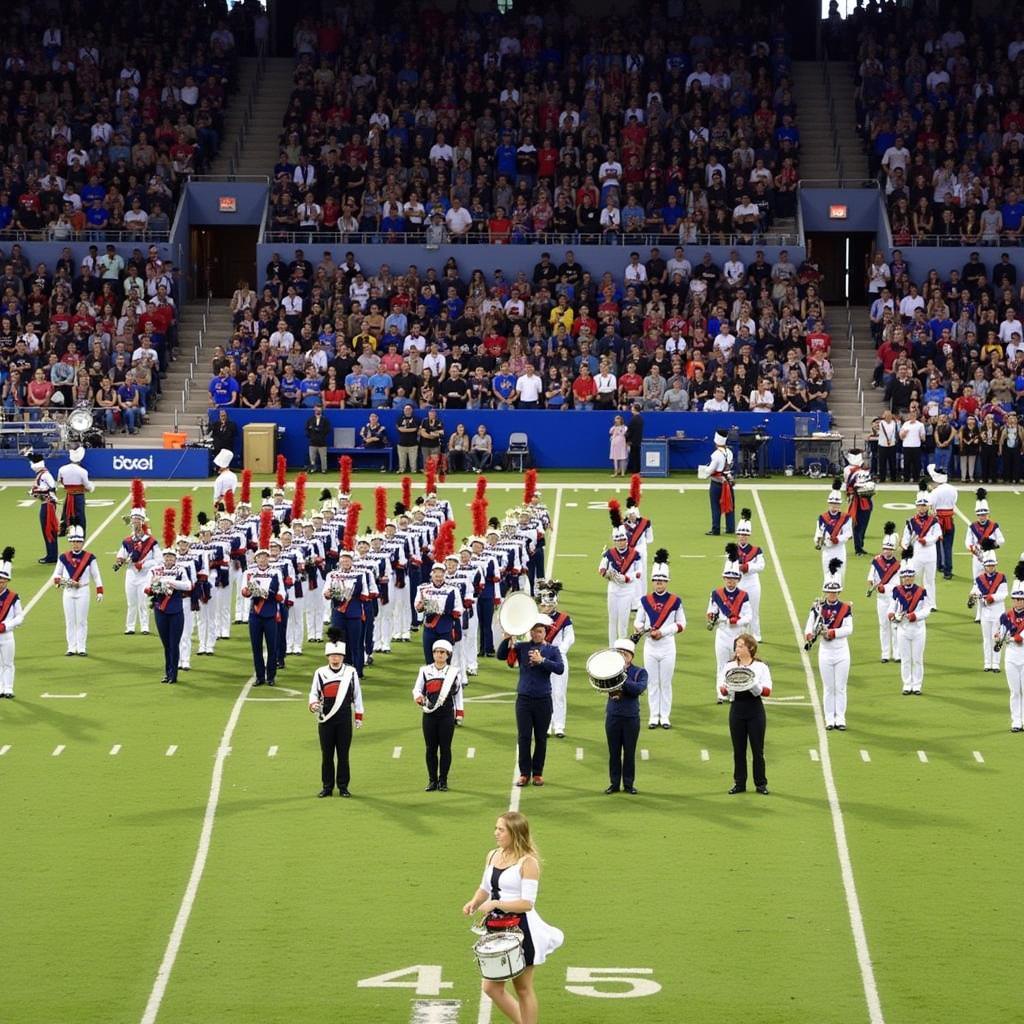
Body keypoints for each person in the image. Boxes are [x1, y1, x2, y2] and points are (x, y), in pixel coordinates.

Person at [461, 812, 563, 1024]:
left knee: (523, 989)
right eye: (496, 828)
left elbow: (527, 904)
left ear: (515, 834)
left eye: (501, 830)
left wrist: (497, 903)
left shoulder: (528, 863)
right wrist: (474, 902)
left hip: (521, 929)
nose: (495, 833)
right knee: (490, 987)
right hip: (496, 928)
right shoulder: (492, 855)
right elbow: (485, 887)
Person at [497, 614, 565, 787]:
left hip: (543, 698)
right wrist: (506, 639)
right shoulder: (522, 646)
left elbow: (559, 669)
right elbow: (501, 655)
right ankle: (524, 773)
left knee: (541, 737)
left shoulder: (552, 650)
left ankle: (538, 773)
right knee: (524, 737)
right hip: (524, 698)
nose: (536, 634)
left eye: (540, 631)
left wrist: (542, 660)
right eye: (534, 631)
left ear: (546, 633)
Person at [633, 550, 685, 729]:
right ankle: (654, 715)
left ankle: (665, 716)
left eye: (662, 581)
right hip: (650, 646)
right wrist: (644, 630)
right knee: (652, 682)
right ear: (652, 581)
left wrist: (663, 632)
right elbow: (638, 622)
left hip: (667, 646)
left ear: (667, 582)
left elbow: (681, 624)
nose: (659, 584)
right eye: (656, 581)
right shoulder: (645, 600)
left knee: (666, 682)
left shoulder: (675, 601)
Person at [308, 627, 363, 797]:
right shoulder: (320, 672)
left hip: (344, 717)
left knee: (343, 754)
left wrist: (358, 716)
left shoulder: (351, 672)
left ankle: (343, 786)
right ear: (328, 657)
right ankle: (327, 786)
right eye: (332, 655)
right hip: (326, 719)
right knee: (327, 755)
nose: (335, 658)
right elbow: (313, 693)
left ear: (343, 657)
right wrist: (313, 704)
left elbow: (357, 696)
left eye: (338, 655)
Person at [719, 634, 772, 794]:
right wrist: (726, 689)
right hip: (737, 709)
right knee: (738, 749)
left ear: (750, 648)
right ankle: (739, 783)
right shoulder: (729, 666)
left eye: (741, 646)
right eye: (737, 646)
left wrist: (752, 684)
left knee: (757, 749)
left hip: (755, 709)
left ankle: (761, 783)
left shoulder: (761, 667)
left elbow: (767, 690)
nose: (737, 649)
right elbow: (722, 687)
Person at [806, 559, 854, 730]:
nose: (831, 594)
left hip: (841, 651)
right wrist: (810, 634)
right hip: (825, 651)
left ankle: (840, 718)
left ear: (839, 592)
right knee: (828, 687)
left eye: (834, 591)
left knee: (840, 687)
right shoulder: (818, 607)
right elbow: (809, 626)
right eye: (829, 591)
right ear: (825, 591)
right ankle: (829, 718)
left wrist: (832, 633)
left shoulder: (845, 608)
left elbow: (849, 629)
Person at [413, 638, 464, 791]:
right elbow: (417, 689)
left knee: (445, 748)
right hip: (429, 714)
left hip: (446, 714)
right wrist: (418, 697)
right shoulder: (424, 670)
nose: (439, 655)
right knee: (430, 748)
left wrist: (459, 713)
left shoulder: (454, 672)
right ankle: (432, 780)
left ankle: (443, 780)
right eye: (436, 652)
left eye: (442, 652)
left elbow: (458, 695)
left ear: (448, 655)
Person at [242, 516, 284, 686]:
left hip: (271, 612)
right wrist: (248, 590)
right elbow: (244, 591)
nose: (262, 559)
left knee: (272, 646)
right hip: (255, 613)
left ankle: (271, 676)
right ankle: (259, 676)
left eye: (265, 557)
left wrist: (272, 594)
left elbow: (282, 592)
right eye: (259, 557)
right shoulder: (249, 572)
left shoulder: (276, 572)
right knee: (256, 647)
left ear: (268, 558)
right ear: (256, 559)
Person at [604, 637, 648, 793]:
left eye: (625, 654)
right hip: (613, 715)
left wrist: (622, 678)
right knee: (613, 752)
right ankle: (614, 783)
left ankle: (628, 784)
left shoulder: (640, 672)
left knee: (629, 752)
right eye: (619, 653)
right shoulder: (608, 670)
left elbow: (638, 689)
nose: (622, 656)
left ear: (631, 656)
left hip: (631, 717)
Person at [53, 520, 104, 656]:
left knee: (81, 621)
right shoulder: (63, 557)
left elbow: (96, 575)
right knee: (70, 621)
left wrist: (99, 591)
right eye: (73, 541)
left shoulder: (89, 557)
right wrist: (68, 581)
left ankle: (81, 647)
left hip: (83, 591)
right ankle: (71, 647)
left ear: (82, 542)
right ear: (70, 542)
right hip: (68, 591)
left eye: (78, 541)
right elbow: (56, 577)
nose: (75, 544)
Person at [888, 553, 933, 695]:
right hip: (903, 628)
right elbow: (891, 607)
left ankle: (917, 685)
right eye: (905, 576)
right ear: (902, 577)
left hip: (918, 629)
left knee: (917, 659)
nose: (907, 579)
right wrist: (893, 616)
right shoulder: (897, 591)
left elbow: (927, 610)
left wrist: (915, 616)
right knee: (906, 659)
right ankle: (907, 684)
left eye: (909, 576)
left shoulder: (921, 591)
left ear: (913, 577)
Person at [708, 556, 752, 703]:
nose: (730, 581)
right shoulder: (716, 594)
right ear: (723, 578)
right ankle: (721, 692)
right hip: (722, 632)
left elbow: (749, 616)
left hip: (738, 634)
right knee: (721, 664)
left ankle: (733, 693)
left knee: (735, 664)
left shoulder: (743, 595)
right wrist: (711, 617)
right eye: (727, 578)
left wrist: (737, 621)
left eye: (733, 578)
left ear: (738, 579)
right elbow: (711, 611)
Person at [145, 547, 191, 684]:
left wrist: (170, 583)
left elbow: (188, 585)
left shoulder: (180, 570)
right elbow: (147, 588)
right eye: (167, 557)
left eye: (171, 557)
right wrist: (157, 586)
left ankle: (173, 674)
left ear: (175, 559)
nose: (169, 559)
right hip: (161, 611)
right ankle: (167, 672)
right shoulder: (155, 570)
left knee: (174, 643)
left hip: (176, 611)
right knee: (166, 644)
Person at [536, 580, 574, 738]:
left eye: (550, 605)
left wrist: (559, 651)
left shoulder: (564, 619)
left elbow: (570, 638)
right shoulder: (536, 619)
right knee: (543, 695)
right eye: (544, 605)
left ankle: (559, 725)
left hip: (558, 658)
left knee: (559, 693)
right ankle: (546, 726)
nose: (547, 608)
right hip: (539, 659)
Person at [598, 512, 642, 646]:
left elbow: (639, 573)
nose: (621, 542)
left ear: (627, 540)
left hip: (627, 591)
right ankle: (612, 647)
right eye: (618, 540)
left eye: (623, 539)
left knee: (623, 622)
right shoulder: (609, 553)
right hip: (613, 590)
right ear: (614, 540)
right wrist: (608, 575)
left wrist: (626, 578)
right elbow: (601, 569)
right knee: (612, 620)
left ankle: (621, 647)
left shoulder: (635, 554)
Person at [115, 508, 160, 635]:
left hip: (145, 575)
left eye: (138, 521)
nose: (135, 523)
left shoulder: (151, 541)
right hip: (131, 574)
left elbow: (158, 560)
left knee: (143, 601)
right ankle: (130, 626)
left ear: (142, 523)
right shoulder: (127, 541)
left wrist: (144, 565)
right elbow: (121, 555)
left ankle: (145, 626)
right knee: (131, 601)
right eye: (133, 520)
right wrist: (119, 562)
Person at [901, 484, 941, 608]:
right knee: (915, 579)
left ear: (927, 506)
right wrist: (905, 546)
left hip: (930, 554)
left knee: (930, 580)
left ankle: (931, 604)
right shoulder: (911, 522)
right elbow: (905, 537)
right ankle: (916, 601)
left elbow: (937, 535)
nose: (922, 508)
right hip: (917, 554)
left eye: (924, 505)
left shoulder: (933, 521)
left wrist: (927, 540)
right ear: (916, 506)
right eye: (920, 505)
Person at [969, 548, 1008, 672]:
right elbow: (975, 590)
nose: (990, 567)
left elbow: (1004, 593)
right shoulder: (980, 579)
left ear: (995, 565)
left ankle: (996, 663)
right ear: (985, 566)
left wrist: (992, 598)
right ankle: (987, 663)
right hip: (985, 612)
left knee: (996, 637)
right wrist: (972, 596)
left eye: (992, 565)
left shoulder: (1001, 577)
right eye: (988, 565)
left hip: (998, 611)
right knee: (986, 638)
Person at [867, 523, 901, 663]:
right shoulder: (876, 562)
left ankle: (897, 654)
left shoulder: (898, 565)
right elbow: (870, 577)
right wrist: (871, 583)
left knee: (894, 625)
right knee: (883, 625)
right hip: (881, 599)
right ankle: (885, 654)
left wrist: (883, 588)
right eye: (885, 549)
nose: (886, 551)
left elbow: (897, 584)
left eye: (889, 549)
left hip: (893, 599)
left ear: (893, 550)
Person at [998, 564, 1024, 732]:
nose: (1017, 602)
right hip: (1011, 656)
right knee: (1014, 691)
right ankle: (1016, 721)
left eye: (1020, 599)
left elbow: (1020, 638)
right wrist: (998, 637)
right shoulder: (1006, 616)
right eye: (1015, 599)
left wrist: (1016, 637)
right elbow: (1002, 633)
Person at [734, 511, 766, 641]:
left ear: (749, 535)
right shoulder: (732, 549)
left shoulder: (756, 550)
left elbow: (761, 566)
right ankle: (741, 634)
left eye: (745, 535)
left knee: (754, 609)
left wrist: (748, 567)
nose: (743, 537)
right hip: (739, 583)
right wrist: (738, 569)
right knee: (739, 609)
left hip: (752, 582)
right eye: (741, 534)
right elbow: (728, 566)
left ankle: (756, 634)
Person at [814, 480, 853, 586]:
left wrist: (838, 539)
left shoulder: (845, 518)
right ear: (829, 503)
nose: (834, 506)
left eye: (837, 503)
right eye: (832, 503)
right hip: (827, 551)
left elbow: (849, 534)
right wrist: (818, 541)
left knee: (839, 576)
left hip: (839, 550)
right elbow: (818, 533)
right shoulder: (822, 518)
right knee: (827, 576)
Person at [927, 463, 958, 581]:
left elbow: (931, 505)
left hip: (938, 521)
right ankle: (948, 571)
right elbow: (954, 502)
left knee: (937, 545)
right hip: (949, 520)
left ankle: (939, 565)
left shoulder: (935, 492)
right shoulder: (953, 489)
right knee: (948, 546)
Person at [700, 431, 735, 535]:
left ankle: (716, 529)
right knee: (730, 504)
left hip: (717, 482)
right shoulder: (729, 452)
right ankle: (730, 527)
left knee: (715, 506)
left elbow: (710, 470)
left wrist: (704, 470)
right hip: (728, 481)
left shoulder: (716, 455)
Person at [0, 547, 23, 698]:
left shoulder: (13, 597)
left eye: (2, 580)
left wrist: (6, 625)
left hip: (7, 635)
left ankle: (8, 687)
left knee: (8, 662)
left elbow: (20, 617)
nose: (0, 583)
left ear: (8, 581)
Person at [28, 453, 59, 563]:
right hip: (46, 503)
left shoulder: (45, 475)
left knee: (48, 529)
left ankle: (52, 555)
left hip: (48, 504)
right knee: (47, 529)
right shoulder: (42, 473)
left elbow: (51, 488)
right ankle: (51, 554)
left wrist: (34, 491)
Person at [56, 446, 94, 535]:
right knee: (80, 517)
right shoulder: (83, 471)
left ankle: (63, 529)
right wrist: (92, 487)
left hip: (69, 495)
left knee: (66, 513)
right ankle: (80, 534)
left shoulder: (62, 469)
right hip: (79, 496)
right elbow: (87, 486)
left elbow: (60, 481)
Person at [843, 449, 874, 556]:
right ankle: (858, 548)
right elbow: (850, 485)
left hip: (867, 499)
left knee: (864, 524)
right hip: (856, 500)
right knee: (857, 525)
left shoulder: (863, 470)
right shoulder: (848, 470)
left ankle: (860, 544)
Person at [305, 402, 330, 472]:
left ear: (321, 410)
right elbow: (307, 429)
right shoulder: (310, 419)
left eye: (319, 409)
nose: (318, 410)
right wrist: (311, 436)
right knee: (312, 457)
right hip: (312, 442)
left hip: (322, 442)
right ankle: (313, 468)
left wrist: (321, 434)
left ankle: (324, 469)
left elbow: (327, 430)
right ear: (314, 410)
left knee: (323, 457)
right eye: (316, 409)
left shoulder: (325, 420)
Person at [396, 403, 419, 473]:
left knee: (413, 463)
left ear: (412, 410)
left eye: (409, 409)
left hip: (413, 444)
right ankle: (401, 470)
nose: (407, 410)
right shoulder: (399, 419)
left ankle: (414, 471)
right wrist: (410, 429)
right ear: (403, 410)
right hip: (402, 443)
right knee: (401, 461)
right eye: (406, 409)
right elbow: (400, 429)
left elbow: (415, 429)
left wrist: (405, 429)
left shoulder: (416, 419)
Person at [624, 403, 644, 474]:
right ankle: (636, 469)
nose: (631, 409)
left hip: (633, 441)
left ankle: (634, 470)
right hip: (638, 440)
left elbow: (630, 431)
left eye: (632, 408)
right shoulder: (640, 418)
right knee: (636, 455)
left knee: (634, 456)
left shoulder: (634, 419)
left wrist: (627, 439)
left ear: (635, 409)